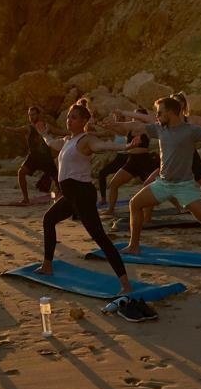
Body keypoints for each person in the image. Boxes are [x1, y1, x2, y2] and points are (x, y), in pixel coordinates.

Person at [109, 96, 201, 261]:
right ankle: (134, 246)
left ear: (170, 112)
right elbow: (135, 126)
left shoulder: (190, 130)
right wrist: (110, 126)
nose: (157, 116)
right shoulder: (159, 128)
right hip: (163, 183)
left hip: (184, 186)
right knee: (134, 204)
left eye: (160, 112)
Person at [37, 103, 133, 294]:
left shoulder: (86, 140)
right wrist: (44, 133)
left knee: (100, 237)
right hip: (71, 196)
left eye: (74, 117)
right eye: (68, 117)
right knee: (48, 220)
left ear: (83, 121)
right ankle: (47, 265)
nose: (69, 120)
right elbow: (50, 142)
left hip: (82, 194)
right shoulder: (67, 141)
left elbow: (103, 146)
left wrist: (127, 145)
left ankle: (126, 284)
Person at [99, 108, 160, 217]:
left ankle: (178, 207)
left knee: (155, 186)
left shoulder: (146, 128)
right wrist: (109, 125)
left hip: (145, 161)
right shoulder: (130, 129)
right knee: (114, 184)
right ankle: (111, 209)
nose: (134, 118)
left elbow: (129, 124)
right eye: (134, 116)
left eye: (137, 116)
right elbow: (119, 130)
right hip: (132, 160)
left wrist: (117, 121)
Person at [3, 106, 61, 204]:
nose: (31, 117)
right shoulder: (29, 128)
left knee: (58, 180)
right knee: (21, 173)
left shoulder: (47, 126)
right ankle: (26, 199)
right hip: (33, 157)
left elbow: (59, 132)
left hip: (46, 158)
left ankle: (64, 198)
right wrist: (6, 128)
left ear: (38, 115)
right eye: (29, 115)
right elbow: (17, 130)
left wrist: (74, 134)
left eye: (33, 114)